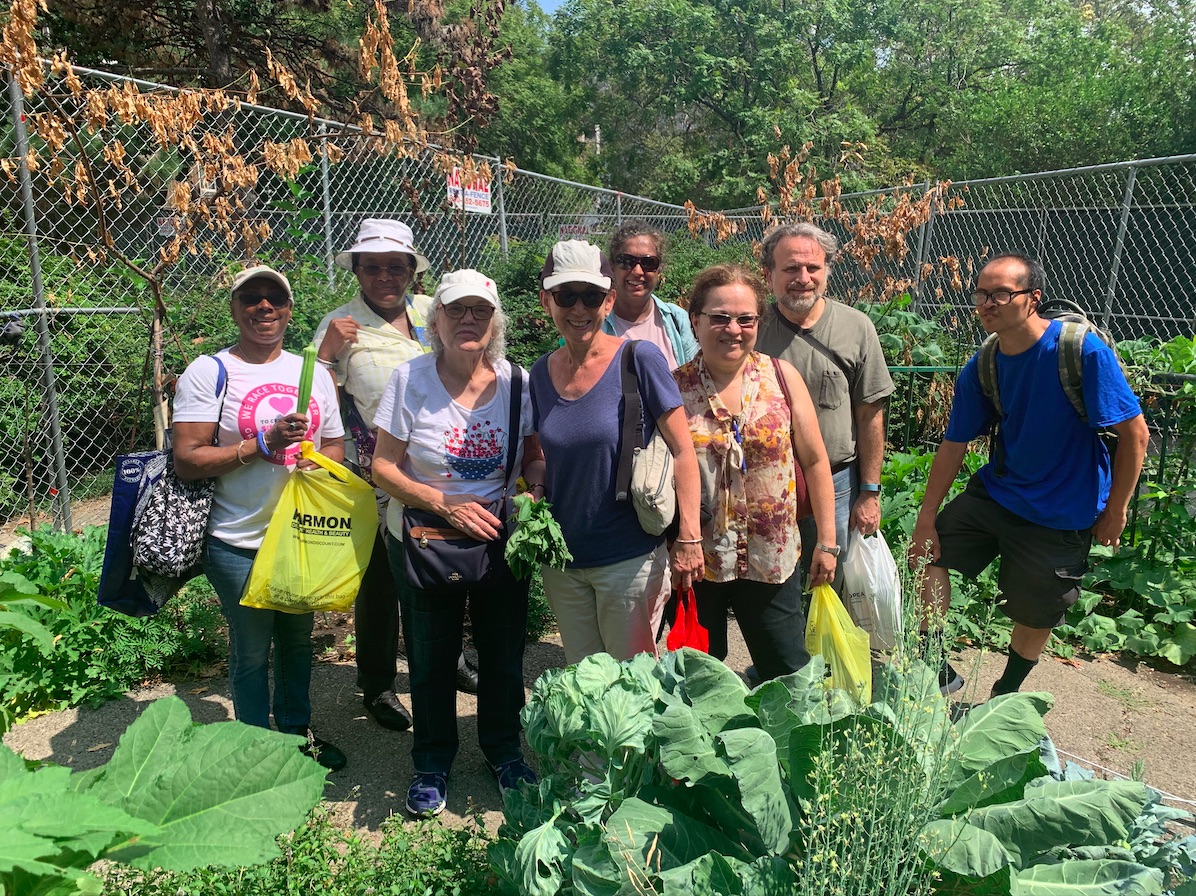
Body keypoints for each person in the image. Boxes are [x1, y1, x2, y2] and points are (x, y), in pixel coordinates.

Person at [909, 253, 1148, 697]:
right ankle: (937, 665)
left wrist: (1116, 509)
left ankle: (1005, 693)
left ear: (1032, 298)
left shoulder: (1079, 351)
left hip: (1063, 509)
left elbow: (1135, 434)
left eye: (1001, 293)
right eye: (981, 293)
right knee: (926, 555)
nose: (987, 303)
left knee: (1036, 612)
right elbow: (953, 445)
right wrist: (926, 518)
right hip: (1000, 492)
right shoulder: (984, 364)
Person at [371, 269, 544, 818]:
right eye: (456, 310)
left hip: (498, 537)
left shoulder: (517, 382)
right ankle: (431, 760)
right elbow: (381, 466)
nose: (469, 320)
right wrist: (445, 503)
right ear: (436, 320)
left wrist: (533, 492)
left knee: (502, 653)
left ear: (495, 322)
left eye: (480, 311)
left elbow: (534, 455)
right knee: (430, 655)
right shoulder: (410, 380)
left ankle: (502, 749)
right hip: (425, 535)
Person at [173, 264, 347, 770]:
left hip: (300, 536)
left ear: (290, 311)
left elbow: (334, 443)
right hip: (236, 539)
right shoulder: (211, 371)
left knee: (296, 643)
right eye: (252, 297)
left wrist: (315, 463)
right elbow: (187, 459)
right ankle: (252, 750)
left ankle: (295, 739)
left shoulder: (311, 372)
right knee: (251, 651)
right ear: (235, 308)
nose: (264, 306)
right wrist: (262, 444)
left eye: (275, 298)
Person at [315, 219, 476, 736]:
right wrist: (323, 357)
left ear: (412, 269)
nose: (384, 275)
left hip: (442, 467)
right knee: (381, 584)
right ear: (357, 271)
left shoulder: (435, 314)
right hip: (374, 472)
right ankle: (378, 683)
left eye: (395, 266)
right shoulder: (340, 325)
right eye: (372, 266)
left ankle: (445, 659)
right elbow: (315, 401)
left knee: (443, 569)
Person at [530, 239, 704, 663]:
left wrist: (689, 536)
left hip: (628, 557)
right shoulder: (540, 373)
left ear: (608, 301)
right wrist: (533, 491)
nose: (578, 309)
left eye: (590, 296)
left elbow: (683, 451)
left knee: (632, 681)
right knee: (584, 677)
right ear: (546, 301)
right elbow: (537, 456)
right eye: (565, 296)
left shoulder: (638, 359)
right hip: (564, 561)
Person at [674, 264, 839, 679]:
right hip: (698, 559)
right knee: (699, 675)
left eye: (745, 319)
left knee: (787, 671)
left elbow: (816, 461)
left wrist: (828, 542)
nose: (733, 328)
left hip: (771, 557)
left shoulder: (782, 377)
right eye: (720, 317)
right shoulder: (673, 388)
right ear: (695, 320)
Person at [755, 222, 894, 586]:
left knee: (829, 582)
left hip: (837, 484)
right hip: (765, 486)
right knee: (770, 588)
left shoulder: (856, 327)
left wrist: (870, 492)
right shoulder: (752, 329)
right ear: (768, 274)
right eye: (790, 269)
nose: (803, 278)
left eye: (813, 268)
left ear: (827, 272)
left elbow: (870, 416)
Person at [601, 220, 698, 368]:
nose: (637, 271)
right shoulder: (596, 322)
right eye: (627, 261)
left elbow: (695, 379)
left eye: (648, 263)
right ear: (612, 266)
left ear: (659, 269)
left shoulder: (678, 320)